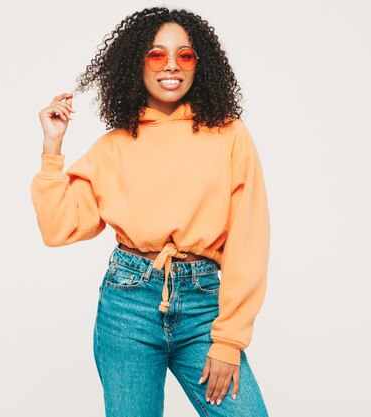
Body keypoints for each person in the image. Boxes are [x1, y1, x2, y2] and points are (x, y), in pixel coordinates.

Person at [30, 6, 270, 417]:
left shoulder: (229, 135)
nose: (171, 66)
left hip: (203, 307)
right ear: (136, 63)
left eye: (185, 55)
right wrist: (52, 148)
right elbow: (60, 228)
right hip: (128, 305)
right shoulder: (114, 145)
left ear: (201, 65)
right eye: (156, 55)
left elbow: (248, 238)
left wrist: (229, 340)